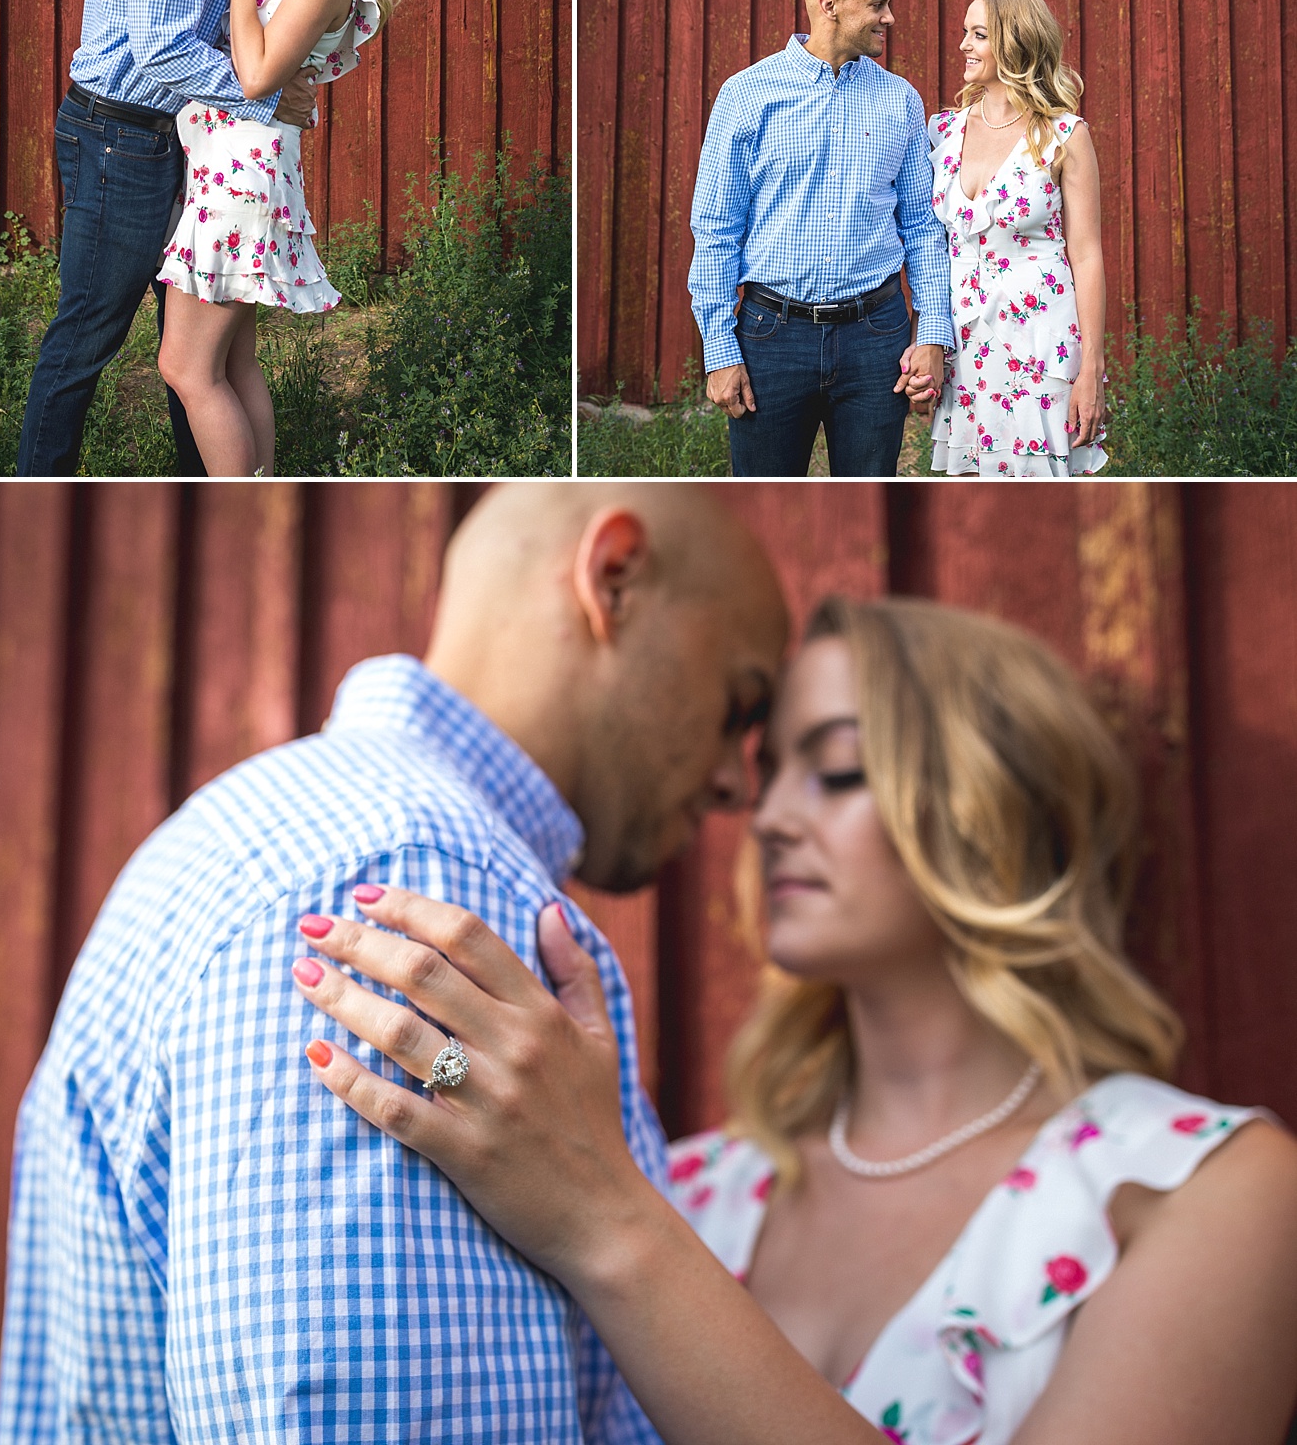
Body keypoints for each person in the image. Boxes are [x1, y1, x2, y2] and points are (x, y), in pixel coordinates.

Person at [291, 597, 1297, 1445]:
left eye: (839, 767)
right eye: (768, 769)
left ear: (995, 805)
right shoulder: (690, 1185)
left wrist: (605, 1222)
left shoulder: (1199, 1186)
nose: (767, 814)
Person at [0, 483, 789, 1444]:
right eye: (738, 703)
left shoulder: (268, 828)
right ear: (612, 578)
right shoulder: (425, 890)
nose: (736, 783)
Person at [16, 0, 317, 477]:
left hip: (158, 139)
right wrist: (262, 99)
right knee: (89, 330)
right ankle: (36, 486)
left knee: (191, 353)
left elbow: (188, 31)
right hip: (118, 140)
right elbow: (159, 49)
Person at [155, 0, 414, 475]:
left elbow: (258, 76)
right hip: (235, 167)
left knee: (184, 367)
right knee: (230, 362)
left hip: (240, 175)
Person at [689, 0, 954, 478]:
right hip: (771, 337)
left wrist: (932, 334)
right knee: (765, 502)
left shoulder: (899, 101)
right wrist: (720, 351)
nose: (890, 18)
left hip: (876, 338)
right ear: (829, 7)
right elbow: (717, 229)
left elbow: (924, 230)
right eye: (878, 5)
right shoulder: (747, 94)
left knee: (868, 498)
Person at [918, 0, 1107, 477]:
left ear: (1015, 43)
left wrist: (1092, 369)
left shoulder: (1064, 135)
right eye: (964, 32)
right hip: (965, 339)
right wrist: (928, 337)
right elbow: (928, 249)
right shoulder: (942, 131)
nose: (963, 44)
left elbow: (1086, 255)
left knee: (1039, 487)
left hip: (1040, 337)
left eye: (979, 35)